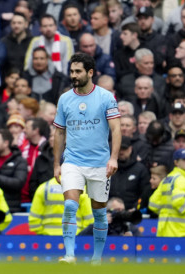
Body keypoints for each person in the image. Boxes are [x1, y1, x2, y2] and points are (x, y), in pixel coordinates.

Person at [53, 52, 121, 265]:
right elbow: (59, 133)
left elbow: (116, 129)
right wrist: (57, 164)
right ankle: (70, 255)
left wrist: (114, 158)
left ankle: (97, 259)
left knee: (99, 213)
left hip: (100, 163)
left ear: (90, 72)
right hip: (72, 161)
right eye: (71, 71)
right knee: (70, 206)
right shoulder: (65, 99)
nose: (73, 75)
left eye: (78, 71)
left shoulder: (106, 97)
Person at [29, 176, 93, 235]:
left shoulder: (43, 188)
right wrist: (81, 236)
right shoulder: (81, 190)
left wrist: (42, 234)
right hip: (74, 238)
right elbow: (89, 219)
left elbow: (34, 219)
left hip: (48, 238)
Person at [149, 148, 185, 237]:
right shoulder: (182, 180)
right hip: (181, 233)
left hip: (164, 231)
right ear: (176, 163)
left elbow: (153, 203)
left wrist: (166, 212)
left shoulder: (167, 179)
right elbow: (179, 202)